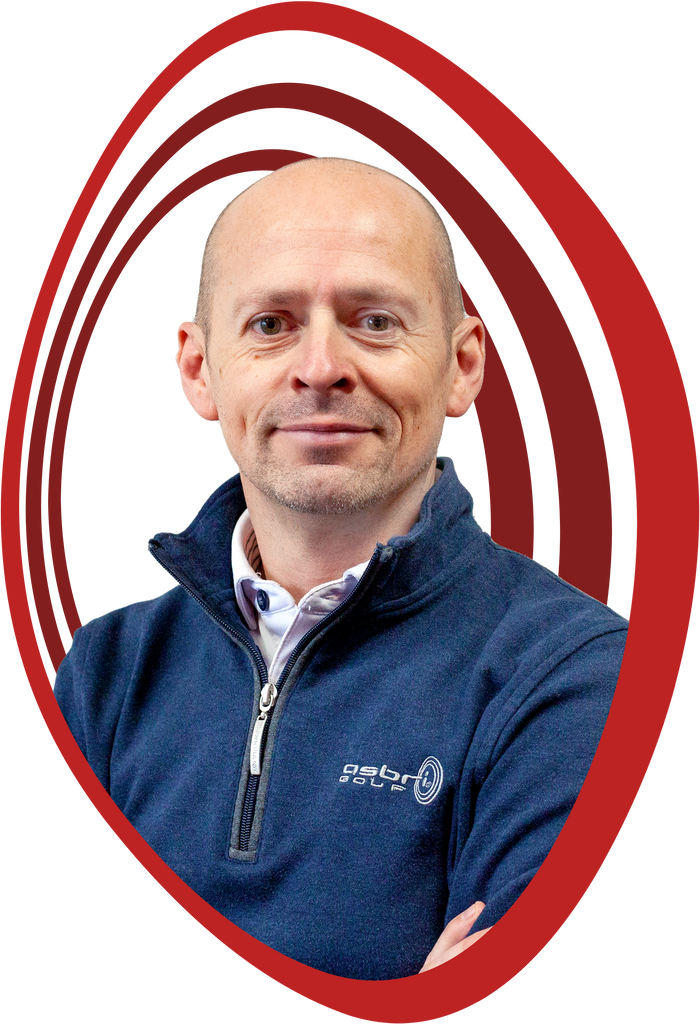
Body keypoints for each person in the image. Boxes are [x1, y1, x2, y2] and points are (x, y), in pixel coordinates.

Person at [53, 154, 627, 980]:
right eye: (270, 324)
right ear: (198, 369)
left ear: (463, 365)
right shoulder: (106, 672)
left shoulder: (574, 674)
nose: (321, 367)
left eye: (375, 321)